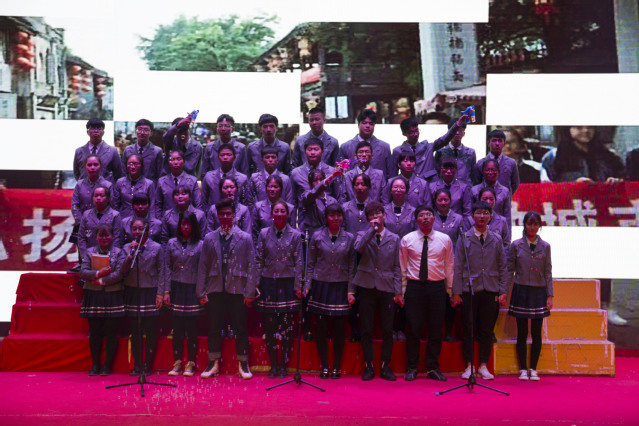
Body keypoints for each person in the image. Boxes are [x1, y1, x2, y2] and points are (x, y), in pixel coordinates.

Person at [197, 200, 257, 380]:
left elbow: (252, 266)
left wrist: (250, 293)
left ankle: (243, 363)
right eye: (221, 214)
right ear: (217, 216)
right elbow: (203, 266)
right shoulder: (209, 238)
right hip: (215, 288)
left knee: (240, 327)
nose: (225, 217)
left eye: (228, 214)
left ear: (234, 215)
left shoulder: (245, 238)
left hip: (238, 289)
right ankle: (212, 363)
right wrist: (201, 291)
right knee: (214, 327)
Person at [451, 202, 509, 381]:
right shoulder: (465, 237)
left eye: (485, 213)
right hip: (469, 289)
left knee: (486, 329)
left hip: (491, 289)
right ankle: (469, 365)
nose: (482, 216)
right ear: (472, 216)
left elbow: (503, 267)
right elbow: (458, 265)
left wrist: (503, 291)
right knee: (469, 328)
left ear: (490, 216)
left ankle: (483, 365)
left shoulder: (496, 239)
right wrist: (456, 292)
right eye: (478, 213)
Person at [400, 205, 454, 382]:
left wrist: (450, 290)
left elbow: (449, 265)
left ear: (434, 218)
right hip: (414, 287)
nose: (425, 218)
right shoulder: (407, 239)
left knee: (436, 330)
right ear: (416, 220)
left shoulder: (444, 239)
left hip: (437, 288)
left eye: (429, 215)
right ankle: (412, 367)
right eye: (421, 215)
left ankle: (432, 367)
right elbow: (402, 267)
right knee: (414, 329)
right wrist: (401, 291)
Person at [350, 201, 402, 381]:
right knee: (366, 328)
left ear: (384, 216)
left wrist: (398, 291)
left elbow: (397, 266)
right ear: (367, 219)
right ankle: (369, 365)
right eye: (371, 216)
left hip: (387, 287)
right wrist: (371, 231)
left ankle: (385, 365)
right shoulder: (361, 235)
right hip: (366, 286)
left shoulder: (394, 238)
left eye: (378, 215)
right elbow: (358, 248)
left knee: (388, 329)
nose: (375, 218)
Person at [255, 200, 303, 378]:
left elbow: (299, 262)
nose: (280, 214)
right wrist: (255, 283)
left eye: (283, 211)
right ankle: (273, 365)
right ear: (271, 214)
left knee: (286, 327)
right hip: (268, 283)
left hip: (288, 284)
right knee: (270, 327)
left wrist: (298, 286)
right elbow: (259, 259)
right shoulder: (263, 233)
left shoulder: (296, 235)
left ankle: (283, 364)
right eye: (276, 211)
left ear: (288, 214)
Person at [307, 204, 356, 379]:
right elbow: (310, 263)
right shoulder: (317, 236)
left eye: (338, 215)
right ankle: (324, 366)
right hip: (321, 285)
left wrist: (351, 290)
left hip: (341, 286)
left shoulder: (349, 238)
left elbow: (352, 267)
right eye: (332, 215)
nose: (336, 218)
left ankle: (336, 366)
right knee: (320, 328)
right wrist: (307, 285)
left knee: (339, 328)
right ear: (326, 218)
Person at [508, 211, 553, 381]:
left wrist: (550, 295)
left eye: (535, 224)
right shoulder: (516, 245)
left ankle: (533, 368)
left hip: (539, 292)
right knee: (522, 332)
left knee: (536, 332)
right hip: (521, 291)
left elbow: (548, 272)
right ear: (524, 225)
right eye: (529, 224)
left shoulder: (546, 246)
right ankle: (523, 369)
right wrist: (503, 291)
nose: (532, 227)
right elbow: (510, 270)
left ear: (540, 226)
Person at [121, 218, 169, 375]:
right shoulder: (126, 248)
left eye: (140, 229)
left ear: (147, 231)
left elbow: (162, 271)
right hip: (133, 291)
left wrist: (160, 294)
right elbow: (122, 271)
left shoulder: (157, 247)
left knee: (150, 330)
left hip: (150, 291)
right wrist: (130, 255)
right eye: (134, 229)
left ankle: (147, 364)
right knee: (135, 330)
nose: (137, 232)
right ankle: (137, 364)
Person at [79, 224, 125, 376]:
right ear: (96, 237)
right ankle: (95, 365)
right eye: (101, 235)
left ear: (112, 237)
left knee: (112, 332)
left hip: (112, 294)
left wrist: (101, 280)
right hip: (94, 295)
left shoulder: (118, 252)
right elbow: (83, 272)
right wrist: (99, 273)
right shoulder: (89, 252)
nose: (104, 238)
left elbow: (119, 274)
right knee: (95, 332)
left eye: (107, 235)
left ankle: (107, 366)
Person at [165, 212, 204, 377]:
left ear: (194, 226)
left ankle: (191, 363)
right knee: (177, 329)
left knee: (191, 329)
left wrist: (201, 292)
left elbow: (203, 270)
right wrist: (166, 291)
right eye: (183, 224)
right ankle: (177, 363)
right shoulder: (171, 243)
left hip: (192, 289)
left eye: (189, 224)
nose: (186, 227)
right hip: (177, 288)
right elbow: (167, 268)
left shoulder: (201, 244)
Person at [431, 188, 464, 343]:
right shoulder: (430, 217)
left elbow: (462, 242)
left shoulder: (458, 219)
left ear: (450, 201)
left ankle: (449, 332)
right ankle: (436, 332)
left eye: (446, 200)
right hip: (434, 264)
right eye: (440, 200)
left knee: (451, 299)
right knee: (436, 300)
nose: (443, 203)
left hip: (452, 264)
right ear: (435, 202)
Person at [391, 116, 467, 181]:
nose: (415, 134)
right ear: (404, 133)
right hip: (409, 187)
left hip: (430, 186)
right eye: (411, 132)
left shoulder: (428, 147)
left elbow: (445, 139)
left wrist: (458, 124)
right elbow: (393, 174)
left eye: (416, 130)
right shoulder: (398, 151)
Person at [541, 126, 625, 183]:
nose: (586, 131)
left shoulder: (609, 156)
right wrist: (574, 186)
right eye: (579, 127)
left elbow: (624, 182)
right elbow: (547, 188)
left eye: (590, 127)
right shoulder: (553, 157)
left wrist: (616, 183)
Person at [71, 155, 114, 262]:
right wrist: (82, 222)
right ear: (85, 167)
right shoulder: (80, 184)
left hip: (103, 227)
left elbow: (112, 207)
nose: (92, 167)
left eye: (95, 164)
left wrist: (103, 225)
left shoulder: (107, 185)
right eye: (89, 165)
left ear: (101, 166)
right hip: (83, 226)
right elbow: (75, 205)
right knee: (84, 258)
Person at [338, 109, 394, 179]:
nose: (367, 126)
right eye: (364, 123)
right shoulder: (345, 147)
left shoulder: (384, 147)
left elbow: (391, 175)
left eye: (371, 123)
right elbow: (339, 174)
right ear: (358, 125)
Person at [290, 138, 338, 207]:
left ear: (322, 153)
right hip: (305, 212)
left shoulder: (332, 172)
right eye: (309, 149)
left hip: (326, 211)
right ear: (304, 153)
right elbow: (292, 201)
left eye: (316, 149)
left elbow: (337, 197)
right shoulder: (296, 173)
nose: (312, 152)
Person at [78, 186, 122, 260]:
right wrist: (85, 257)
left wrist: (112, 258)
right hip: (89, 256)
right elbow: (81, 237)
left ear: (108, 198)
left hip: (109, 257)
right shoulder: (86, 214)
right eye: (96, 196)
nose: (98, 198)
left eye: (101, 196)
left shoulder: (115, 215)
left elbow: (117, 239)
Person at [74, 118, 123, 185]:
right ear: (87, 132)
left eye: (99, 128)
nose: (96, 131)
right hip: (85, 189)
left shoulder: (112, 151)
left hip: (105, 190)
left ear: (103, 132)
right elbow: (77, 173)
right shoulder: (79, 151)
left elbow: (118, 174)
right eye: (93, 128)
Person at [201, 143, 248, 211]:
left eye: (229, 155)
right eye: (222, 155)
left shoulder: (242, 179)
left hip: (235, 215)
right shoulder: (209, 177)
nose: (225, 157)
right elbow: (203, 201)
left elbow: (245, 202)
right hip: (213, 215)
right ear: (218, 157)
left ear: (234, 157)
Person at [465, 187, 511, 255]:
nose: (488, 202)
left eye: (491, 199)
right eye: (485, 199)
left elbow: (506, 246)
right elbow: (465, 244)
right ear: (479, 200)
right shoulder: (470, 220)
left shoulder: (502, 221)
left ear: (495, 200)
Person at [251, 175, 296, 245]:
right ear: (266, 188)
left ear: (280, 189)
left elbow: (292, 234)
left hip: (285, 246)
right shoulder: (258, 207)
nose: (272, 189)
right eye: (270, 186)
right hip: (264, 246)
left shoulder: (290, 208)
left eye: (275, 187)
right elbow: (254, 233)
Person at [155, 150, 202, 216]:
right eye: (172, 159)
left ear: (184, 162)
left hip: (188, 219)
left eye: (178, 159)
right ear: (168, 163)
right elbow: (158, 205)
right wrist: (160, 220)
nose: (175, 162)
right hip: (167, 219)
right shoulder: (161, 181)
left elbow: (197, 204)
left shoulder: (192, 180)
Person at [473, 129, 520, 194]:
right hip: (486, 199)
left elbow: (515, 184)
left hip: (504, 199)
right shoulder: (480, 163)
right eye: (494, 140)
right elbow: (476, 184)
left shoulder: (511, 163)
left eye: (500, 141)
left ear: (504, 143)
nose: (497, 143)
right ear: (488, 143)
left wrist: (506, 195)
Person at [299, 168, 341, 235]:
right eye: (315, 180)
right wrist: (331, 176)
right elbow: (313, 193)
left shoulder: (333, 201)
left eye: (321, 180)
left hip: (329, 236)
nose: (319, 183)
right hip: (312, 236)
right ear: (309, 183)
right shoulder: (306, 196)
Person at [112, 154, 155, 219]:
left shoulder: (149, 184)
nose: (133, 167)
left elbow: (152, 207)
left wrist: (151, 221)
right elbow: (115, 205)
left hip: (142, 219)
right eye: (130, 164)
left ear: (142, 165)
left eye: (136, 164)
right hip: (123, 218)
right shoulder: (120, 182)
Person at [471, 159, 512, 227]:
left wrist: (508, 232)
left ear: (499, 171)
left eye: (493, 170)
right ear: (482, 171)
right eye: (487, 170)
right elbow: (470, 214)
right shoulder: (474, 190)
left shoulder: (505, 191)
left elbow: (507, 216)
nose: (490, 172)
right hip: (479, 228)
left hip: (498, 228)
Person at [435, 119, 476, 185]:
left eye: (460, 130)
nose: (457, 133)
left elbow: (474, 175)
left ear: (464, 133)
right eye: (455, 130)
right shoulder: (440, 152)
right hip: (446, 189)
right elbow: (437, 174)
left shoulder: (471, 153)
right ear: (449, 132)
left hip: (466, 189)